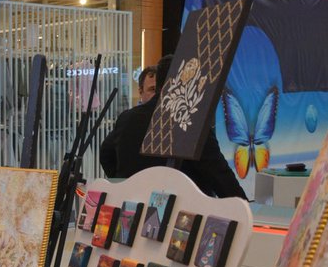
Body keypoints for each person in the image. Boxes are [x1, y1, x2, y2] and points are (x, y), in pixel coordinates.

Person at [102, 55, 247, 199]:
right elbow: (221, 178)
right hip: (180, 214)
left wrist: (124, 183)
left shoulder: (127, 118)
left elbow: (106, 154)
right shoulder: (191, 123)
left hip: (133, 208)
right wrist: (245, 210)